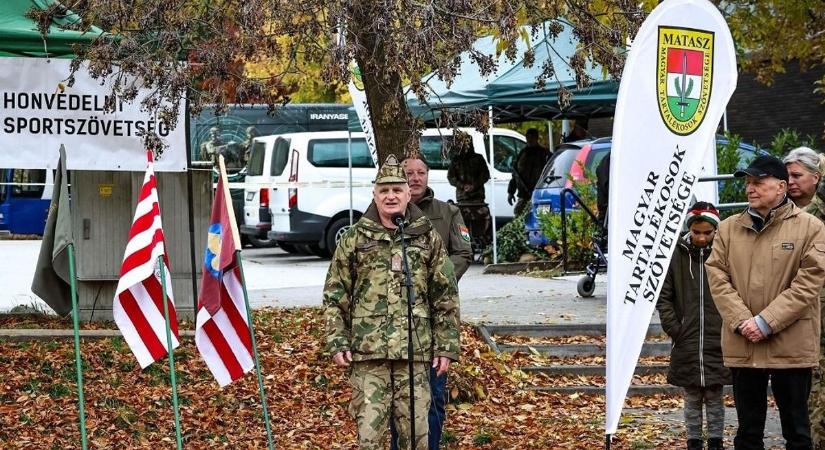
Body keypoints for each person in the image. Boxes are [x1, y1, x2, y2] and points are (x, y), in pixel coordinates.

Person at [323, 155, 460, 450]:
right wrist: (337, 341)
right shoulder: (355, 238)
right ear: (374, 194)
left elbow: (445, 296)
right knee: (369, 440)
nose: (391, 196)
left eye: (397, 190)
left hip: (415, 353)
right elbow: (335, 294)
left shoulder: (426, 237)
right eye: (384, 190)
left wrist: (446, 347)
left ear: (408, 193)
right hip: (368, 355)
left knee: (417, 438)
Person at [706, 154, 825, 449]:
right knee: (747, 433)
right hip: (744, 340)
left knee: (797, 432)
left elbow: (809, 281)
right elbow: (716, 275)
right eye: (748, 182)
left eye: (758, 182)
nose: (750, 188)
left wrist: (766, 321)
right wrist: (743, 321)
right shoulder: (728, 228)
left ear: (781, 187)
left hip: (791, 343)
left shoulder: (811, 228)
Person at [388, 155, 471, 450]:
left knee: (434, 394)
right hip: (395, 321)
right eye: (408, 173)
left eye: (420, 172)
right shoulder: (386, 212)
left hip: (436, 317)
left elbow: (463, 253)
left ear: (428, 175)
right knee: (396, 396)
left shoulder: (447, 212)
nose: (415, 178)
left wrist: (436, 280)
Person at [656, 202, 729, 450]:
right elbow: (664, 296)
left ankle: (716, 440)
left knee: (715, 394)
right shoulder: (676, 254)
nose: (700, 237)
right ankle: (694, 440)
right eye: (696, 232)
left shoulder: (725, 253)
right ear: (690, 229)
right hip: (686, 337)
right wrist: (674, 328)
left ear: (715, 231)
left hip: (716, 336)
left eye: (707, 233)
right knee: (692, 395)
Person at [447, 139, 492, 250]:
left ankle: (483, 243)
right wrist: (462, 186)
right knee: (461, 224)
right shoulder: (456, 160)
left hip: (478, 199)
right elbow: (451, 177)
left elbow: (485, 175)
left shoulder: (478, 159)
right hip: (462, 199)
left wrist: (474, 185)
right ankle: (464, 244)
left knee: (483, 221)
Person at [507, 128, 551, 216]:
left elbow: (551, 172)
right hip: (524, 196)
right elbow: (515, 174)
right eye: (528, 137)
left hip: (540, 195)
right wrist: (511, 192)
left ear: (537, 138)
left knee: (541, 219)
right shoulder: (523, 153)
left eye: (532, 137)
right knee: (519, 218)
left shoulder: (544, 154)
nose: (530, 140)